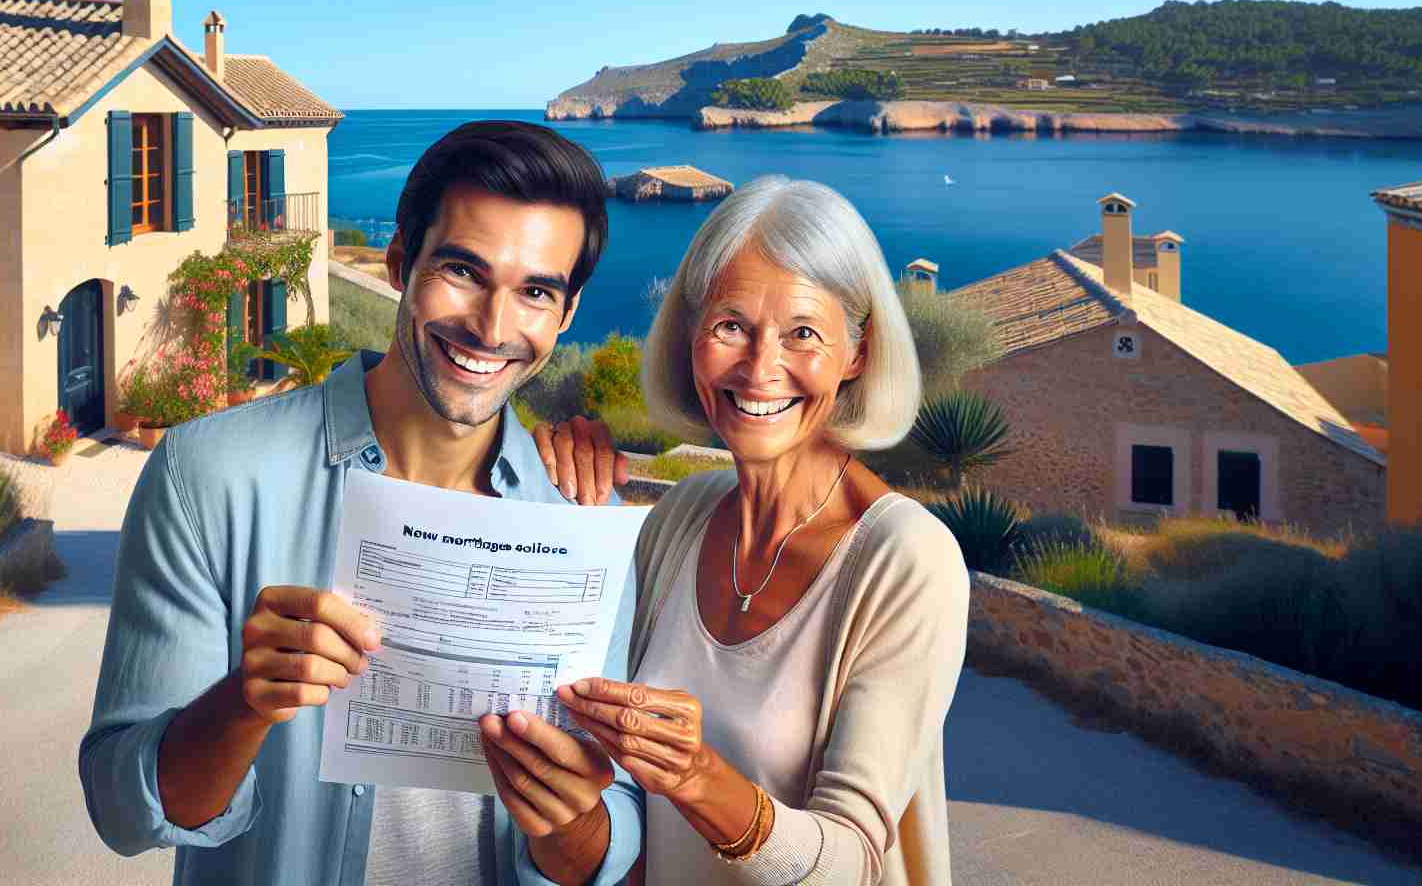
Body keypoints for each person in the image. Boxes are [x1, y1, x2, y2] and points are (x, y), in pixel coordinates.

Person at [78, 120, 638, 886]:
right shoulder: (206, 474)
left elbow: (608, 847)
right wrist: (244, 701)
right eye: (463, 272)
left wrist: (574, 816)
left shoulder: (591, 523)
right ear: (401, 263)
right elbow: (121, 811)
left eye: (535, 292)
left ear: (565, 314)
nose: (492, 328)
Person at [540, 175, 971, 884]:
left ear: (856, 354)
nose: (760, 368)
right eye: (730, 326)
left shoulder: (906, 559)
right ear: (690, 341)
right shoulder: (678, 519)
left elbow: (852, 862)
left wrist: (698, 777)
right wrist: (547, 478)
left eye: (803, 333)